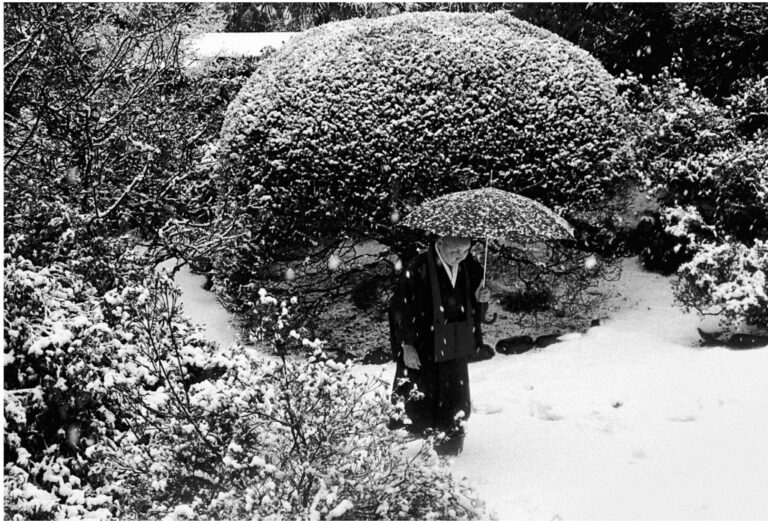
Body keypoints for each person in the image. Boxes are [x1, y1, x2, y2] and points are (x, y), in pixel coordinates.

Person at [388, 235, 491, 455]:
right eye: (455, 251)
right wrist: (406, 344)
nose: (460, 257)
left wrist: (481, 298)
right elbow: (400, 307)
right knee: (420, 394)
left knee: (455, 391)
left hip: (455, 339)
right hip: (423, 339)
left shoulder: (469, 265)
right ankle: (413, 440)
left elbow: (475, 304)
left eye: (465, 251)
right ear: (441, 243)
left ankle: (451, 435)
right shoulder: (419, 267)